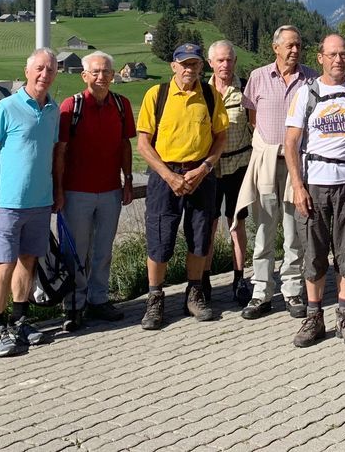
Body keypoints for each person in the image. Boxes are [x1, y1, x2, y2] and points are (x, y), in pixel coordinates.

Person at [285, 34, 345, 348]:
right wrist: (298, 187)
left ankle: (344, 316)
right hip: (314, 185)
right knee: (313, 254)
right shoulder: (306, 94)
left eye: (343, 54)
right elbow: (290, 143)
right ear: (321, 57)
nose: (338, 59)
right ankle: (314, 318)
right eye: (332, 54)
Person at [136, 43, 228, 330]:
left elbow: (220, 137)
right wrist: (168, 175)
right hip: (166, 176)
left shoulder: (211, 96)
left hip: (200, 174)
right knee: (160, 239)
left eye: (195, 64)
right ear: (173, 66)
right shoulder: (157, 94)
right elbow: (143, 143)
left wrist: (205, 167)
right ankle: (155, 298)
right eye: (184, 64)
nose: (190, 69)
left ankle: (195, 292)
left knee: (200, 237)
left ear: (202, 67)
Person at [0, 48, 59, 356]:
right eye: (39, 69)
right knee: (4, 264)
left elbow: (52, 155)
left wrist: (57, 193)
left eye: (50, 70)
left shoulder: (52, 111)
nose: (44, 75)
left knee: (29, 262)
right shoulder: (6, 107)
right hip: (9, 203)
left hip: (40, 202)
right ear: (27, 71)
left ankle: (20, 319)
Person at [236, 25, 317, 320]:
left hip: (298, 164)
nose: (295, 50)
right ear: (275, 48)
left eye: (298, 45)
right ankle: (261, 292)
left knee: (294, 229)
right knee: (263, 229)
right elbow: (252, 118)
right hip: (267, 161)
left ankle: (293, 290)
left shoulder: (311, 78)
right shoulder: (258, 77)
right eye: (289, 45)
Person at [53, 51, 135, 331]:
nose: (102, 77)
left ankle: (99, 299)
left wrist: (128, 180)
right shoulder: (71, 106)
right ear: (84, 75)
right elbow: (60, 151)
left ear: (113, 76)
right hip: (76, 192)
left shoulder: (121, 105)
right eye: (96, 72)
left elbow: (125, 145)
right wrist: (59, 190)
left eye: (107, 72)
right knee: (76, 251)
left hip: (110, 190)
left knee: (103, 249)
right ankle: (74, 305)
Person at [201, 40, 252, 307]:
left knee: (236, 223)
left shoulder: (246, 89)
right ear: (211, 63)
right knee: (208, 225)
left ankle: (239, 278)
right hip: (209, 169)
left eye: (230, 60)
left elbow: (255, 128)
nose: (225, 65)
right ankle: (204, 279)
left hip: (239, 166)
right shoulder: (201, 91)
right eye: (220, 60)